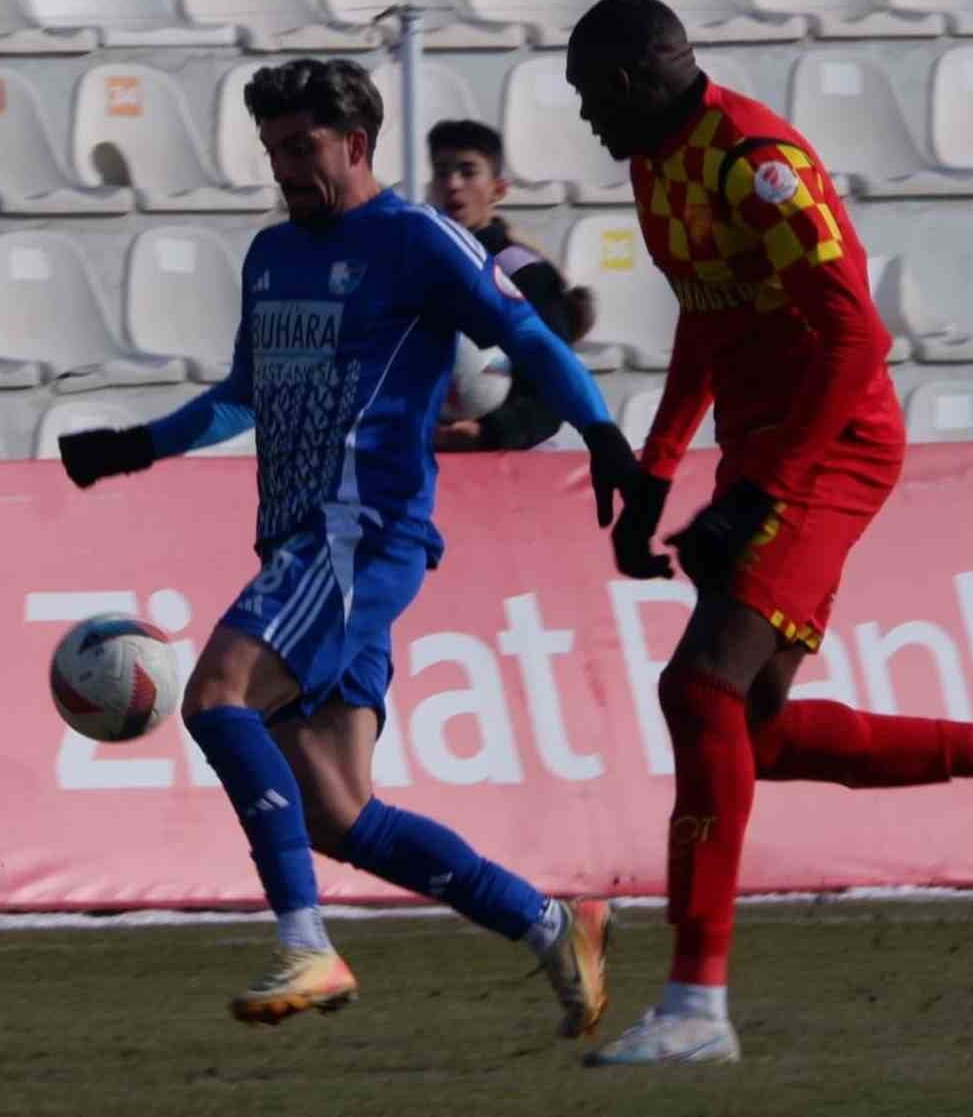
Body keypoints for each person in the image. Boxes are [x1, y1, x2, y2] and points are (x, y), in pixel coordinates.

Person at [565, 0, 973, 1067]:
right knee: (753, 730)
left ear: (629, 84)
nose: (587, 121)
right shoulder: (655, 165)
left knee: (699, 690)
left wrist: (763, 489)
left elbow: (852, 335)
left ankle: (694, 1005)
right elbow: (707, 316)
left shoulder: (754, 159)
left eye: (591, 98)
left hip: (832, 445)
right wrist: (661, 467)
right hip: (765, 453)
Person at [56, 59, 644, 1039]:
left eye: (302, 148)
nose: (285, 167)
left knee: (215, 696)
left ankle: (305, 940)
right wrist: (136, 445)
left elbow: (529, 334)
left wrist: (603, 436)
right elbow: (243, 394)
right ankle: (552, 923)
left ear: (356, 145)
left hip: (359, 532)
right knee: (337, 814)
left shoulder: (414, 240)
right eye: (274, 149)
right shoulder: (271, 255)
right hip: (301, 537)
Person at [425, 118, 596, 452]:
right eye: (442, 172)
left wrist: (489, 432)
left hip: (508, 462)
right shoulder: (416, 268)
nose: (453, 184)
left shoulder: (526, 273)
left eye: (468, 171)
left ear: (498, 190)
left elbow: (552, 390)